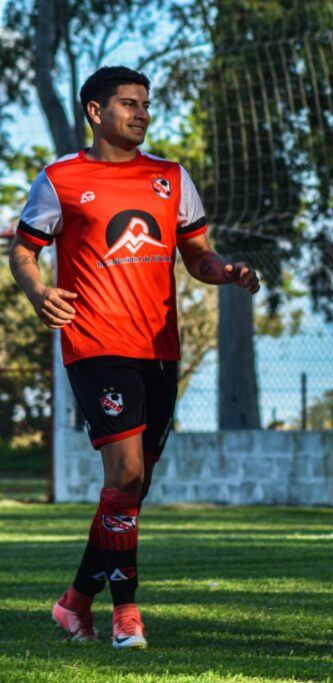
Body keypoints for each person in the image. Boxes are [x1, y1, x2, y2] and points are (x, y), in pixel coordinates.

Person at [8, 66, 260, 648]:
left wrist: (226, 271)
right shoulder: (61, 179)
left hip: (160, 349)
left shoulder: (172, 178)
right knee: (123, 474)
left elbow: (197, 256)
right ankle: (126, 614)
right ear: (95, 112)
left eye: (146, 103)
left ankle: (74, 603)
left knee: (134, 487)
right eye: (128, 104)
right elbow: (25, 249)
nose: (142, 113)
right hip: (96, 345)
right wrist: (37, 290)